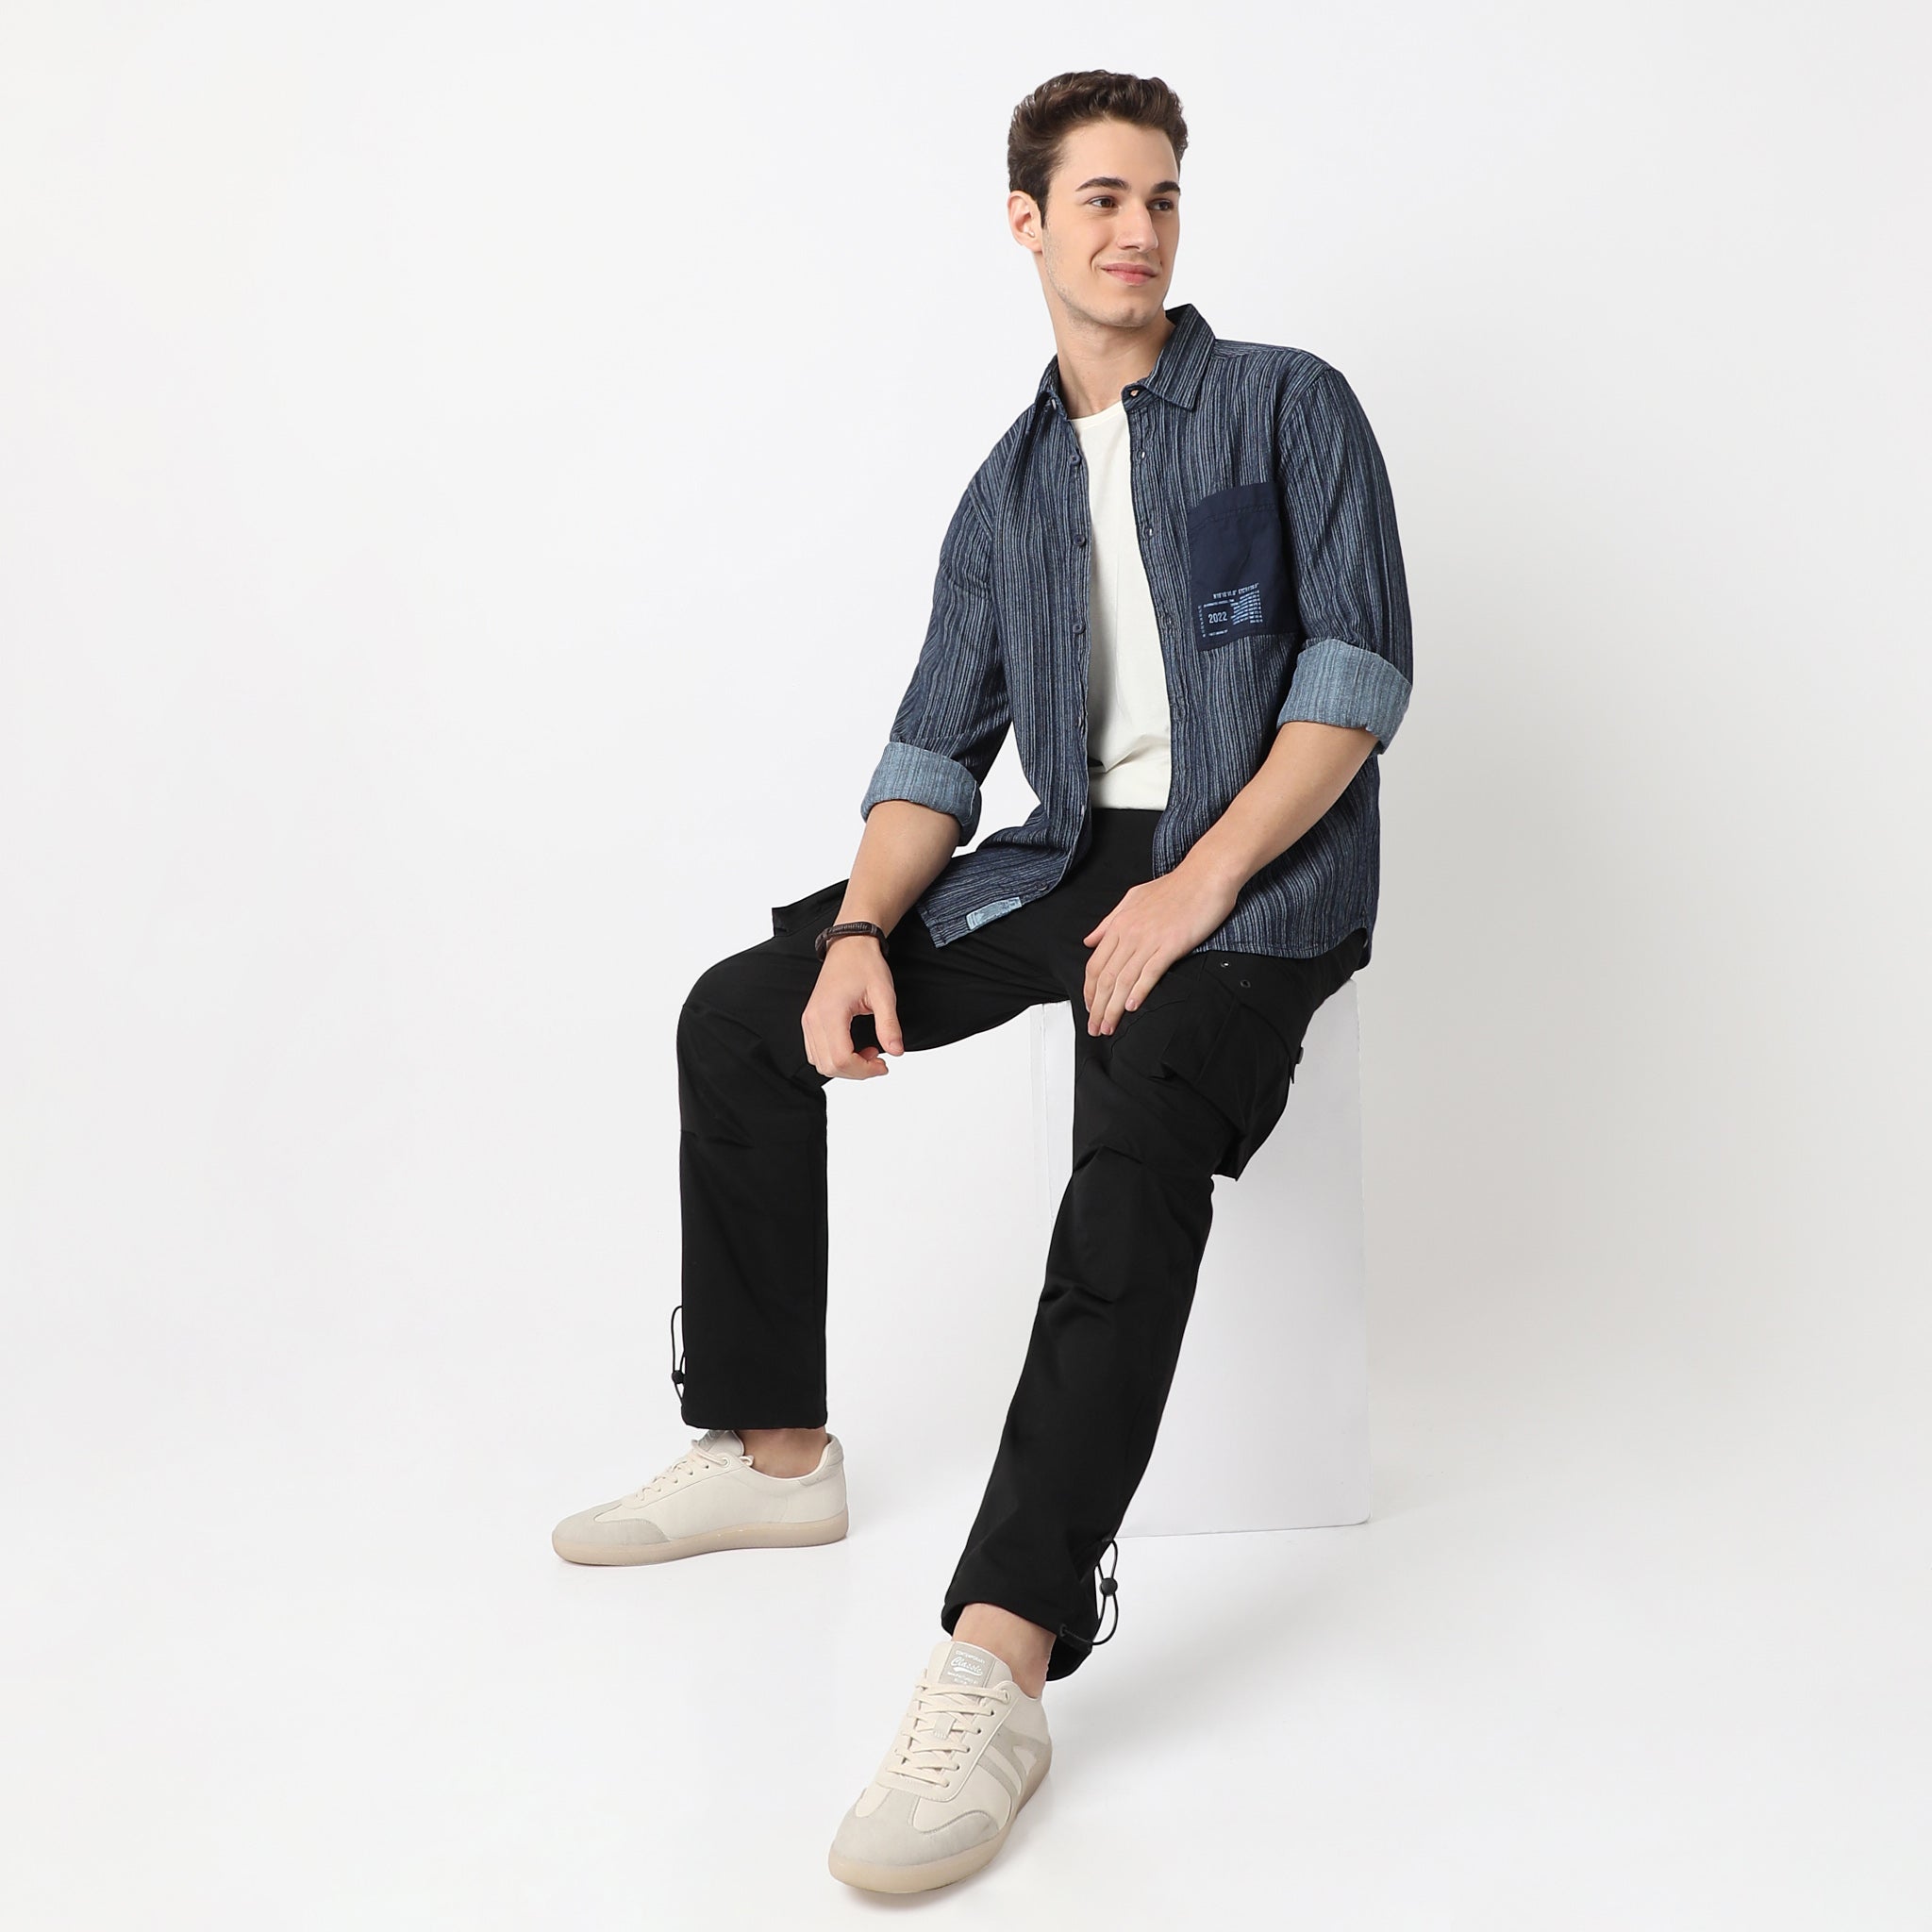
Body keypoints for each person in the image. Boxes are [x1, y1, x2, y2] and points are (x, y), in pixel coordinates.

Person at [550, 68, 1413, 1894]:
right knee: (741, 1011)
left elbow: (1353, 680)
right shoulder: (1006, 489)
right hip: (1075, 856)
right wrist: (859, 933)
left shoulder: (1285, 405)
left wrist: (1194, 888)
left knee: (1132, 1140)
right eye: (1101, 198)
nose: (1137, 231)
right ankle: (776, 1451)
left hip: (1262, 873)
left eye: (1161, 198)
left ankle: (1002, 1657)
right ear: (1025, 222)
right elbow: (934, 749)